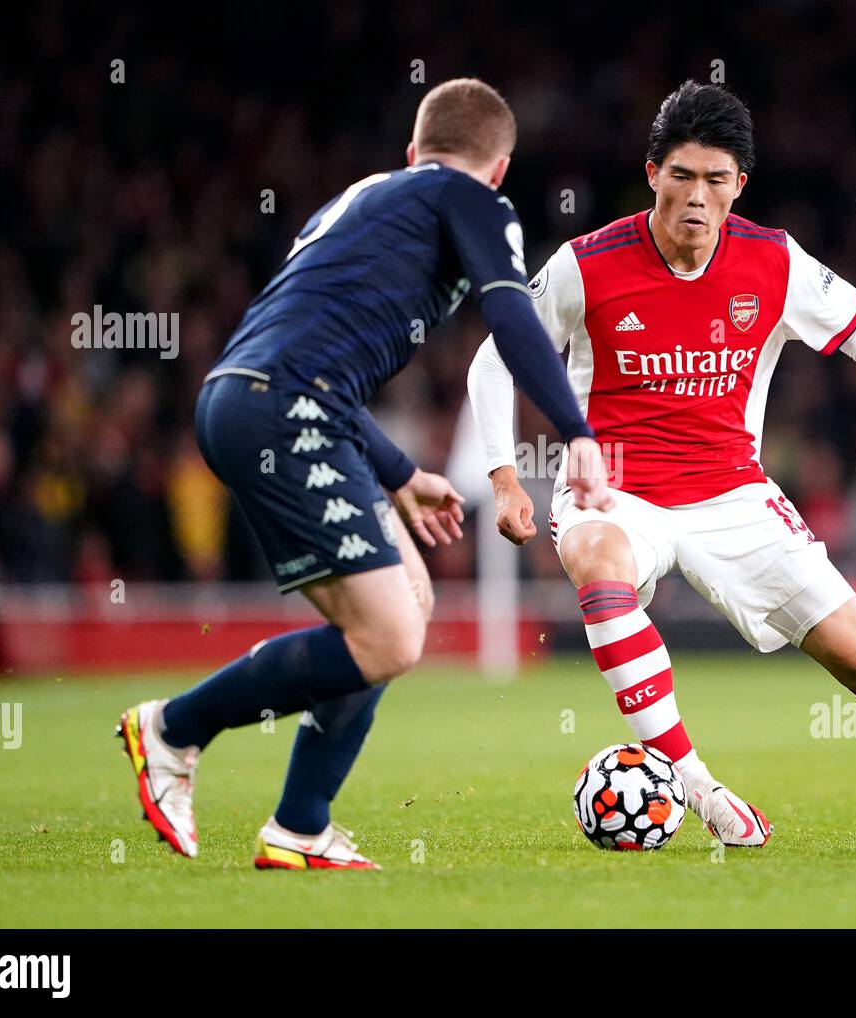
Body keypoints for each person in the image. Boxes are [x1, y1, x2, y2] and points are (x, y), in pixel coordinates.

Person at [468, 81, 856, 845]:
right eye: (684, 175)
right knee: (598, 563)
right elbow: (495, 360)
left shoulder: (774, 261)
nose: (698, 195)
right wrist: (502, 476)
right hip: (616, 489)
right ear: (654, 171)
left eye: (716, 179)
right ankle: (697, 788)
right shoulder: (585, 265)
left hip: (734, 494)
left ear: (739, 186)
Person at [118, 78, 612, 870]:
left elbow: (311, 348)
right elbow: (513, 311)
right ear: (499, 170)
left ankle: (300, 826)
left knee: (407, 602)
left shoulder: (356, 203)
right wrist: (575, 428)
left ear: (411, 153)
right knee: (388, 637)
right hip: (286, 409)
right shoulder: (474, 201)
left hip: (248, 399)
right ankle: (174, 729)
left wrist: (401, 472)